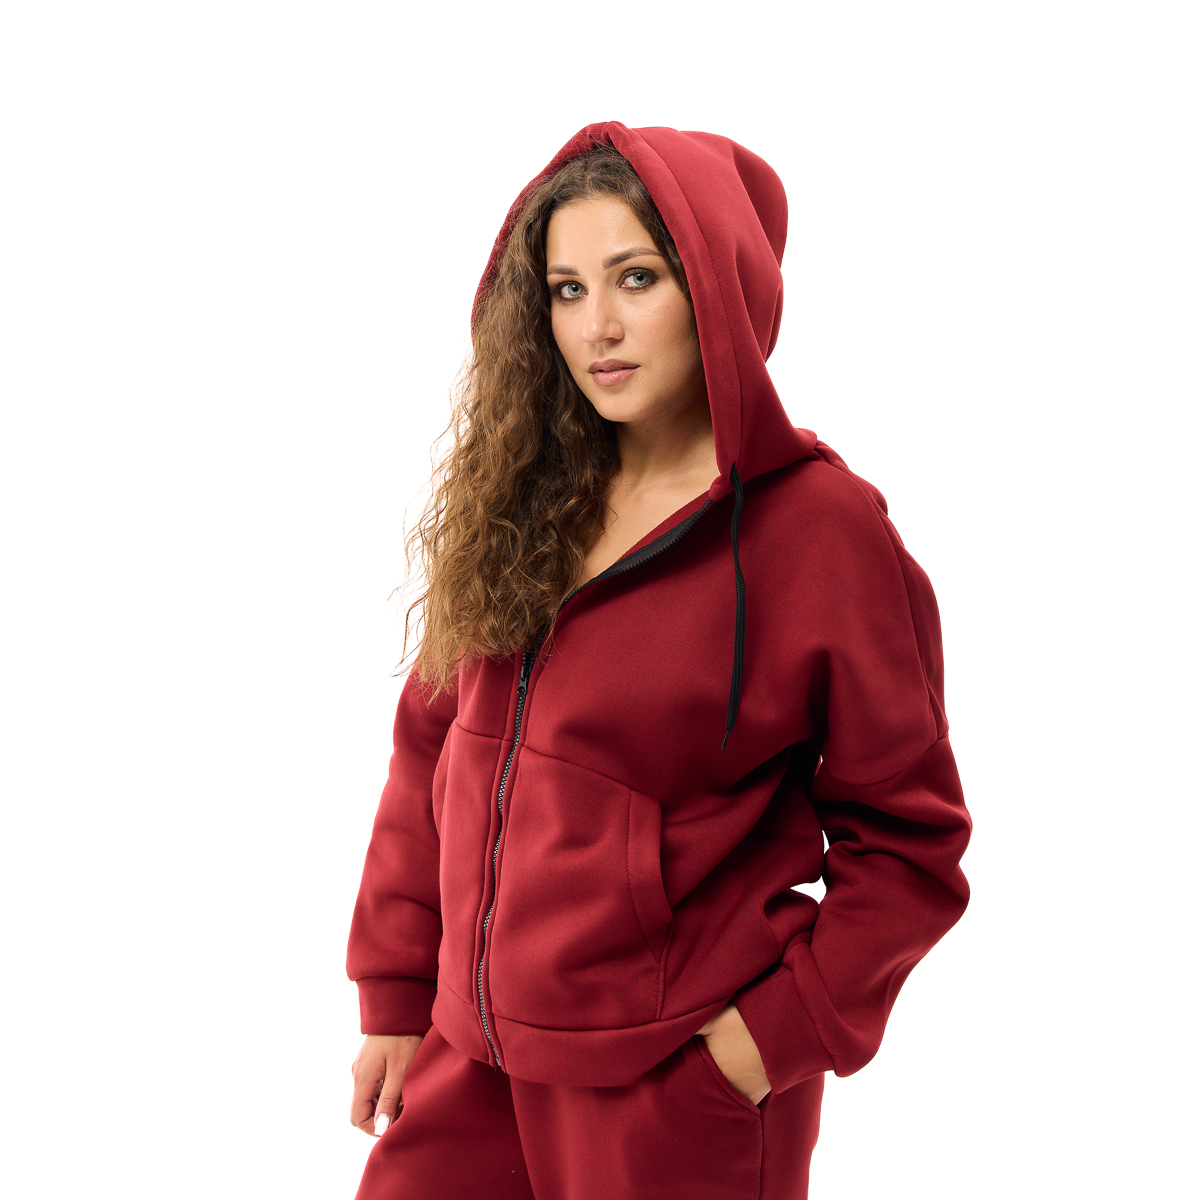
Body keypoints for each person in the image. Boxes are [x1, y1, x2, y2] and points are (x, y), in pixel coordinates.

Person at [345, 122, 972, 1200]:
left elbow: (910, 843)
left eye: (635, 278)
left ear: (716, 287)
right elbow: (430, 753)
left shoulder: (820, 534)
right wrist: (399, 993)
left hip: (668, 1084)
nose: (598, 326)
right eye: (567, 290)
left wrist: (765, 1044)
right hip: (471, 1057)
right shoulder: (527, 500)